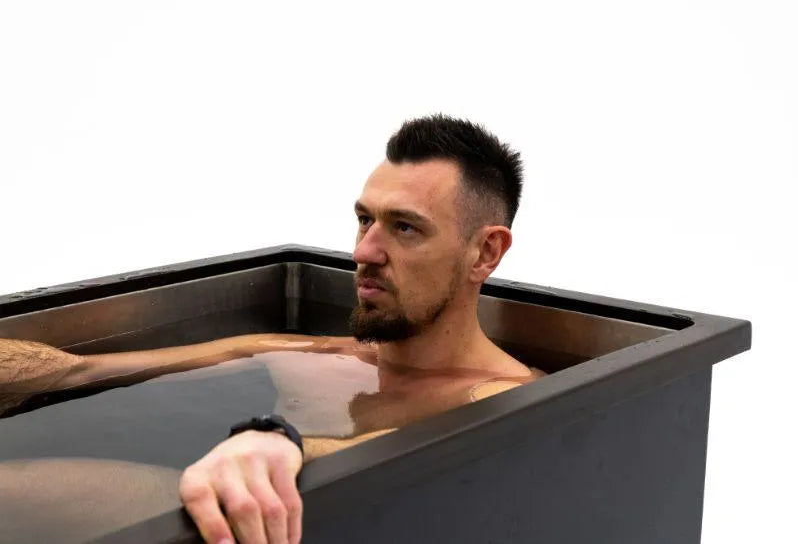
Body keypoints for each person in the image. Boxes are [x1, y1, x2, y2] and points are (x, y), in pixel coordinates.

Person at [0, 114, 544, 544]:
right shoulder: (300, 353)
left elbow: (393, 452)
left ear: (485, 251)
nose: (363, 252)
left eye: (404, 227)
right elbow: (80, 370)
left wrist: (276, 438)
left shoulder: (507, 398)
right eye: (364, 219)